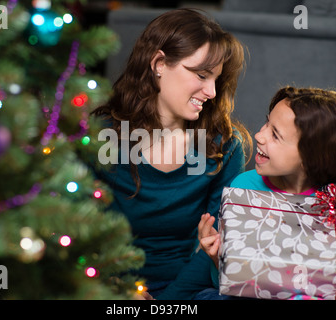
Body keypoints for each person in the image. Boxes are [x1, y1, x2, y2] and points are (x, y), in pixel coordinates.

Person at [91, 8, 251, 299]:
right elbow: (73, 229)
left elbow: (215, 246)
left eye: (216, 79)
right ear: (159, 63)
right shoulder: (101, 137)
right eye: (201, 75)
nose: (212, 91)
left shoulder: (223, 146)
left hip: (186, 288)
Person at [198, 86, 336, 300]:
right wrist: (219, 258)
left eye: (275, 135)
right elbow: (230, 286)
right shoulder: (244, 188)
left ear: (312, 157)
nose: (259, 135)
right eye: (267, 123)